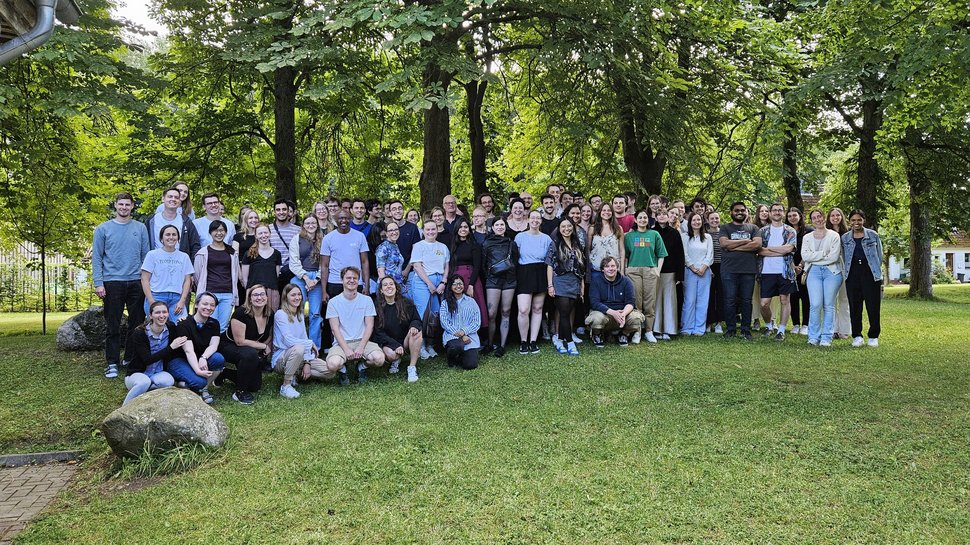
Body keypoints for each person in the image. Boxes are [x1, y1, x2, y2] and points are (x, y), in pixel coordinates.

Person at [93, 192, 150, 379]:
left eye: (127, 204)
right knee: (113, 325)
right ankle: (112, 362)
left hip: (136, 281)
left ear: (132, 206)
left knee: (137, 324)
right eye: (121, 204)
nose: (124, 207)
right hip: (112, 282)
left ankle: (131, 358)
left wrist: (146, 281)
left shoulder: (140, 228)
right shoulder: (103, 229)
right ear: (115, 206)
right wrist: (98, 283)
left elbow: (146, 256)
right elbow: (97, 258)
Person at [325, 267, 385, 383]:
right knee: (332, 364)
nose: (352, 280)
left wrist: (361, 347)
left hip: (362, 341)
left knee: (379, 359)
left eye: (355, 278)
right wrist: (346, 349)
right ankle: (343, 370)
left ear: (359, 281)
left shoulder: (366, 300)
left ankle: (361, 367)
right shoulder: (333, 302)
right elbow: (335, 329)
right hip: (341, 342)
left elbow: (369, 326)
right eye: (348, 278)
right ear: (342, 280)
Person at [220, 284, 274, 404]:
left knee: (255, 386)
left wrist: (263, 347)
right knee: (249, 354)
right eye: (255, 295)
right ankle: (240, 392)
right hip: (228, 345)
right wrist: (263, 347)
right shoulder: (241, 313)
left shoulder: (270, 314)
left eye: (262, 294)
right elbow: (240, 342)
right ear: (250, 298)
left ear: (267, 297)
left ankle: (224, 373)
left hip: (248, 349)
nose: (259, 298)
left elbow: (268, 335)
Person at [273, 283, 329, 398]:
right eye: (293, 295)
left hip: (300, 356)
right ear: (286, 297)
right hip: (282, 357)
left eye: (299, 294)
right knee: (299, 348)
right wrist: (310, 343)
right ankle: (286, 385)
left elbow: (304, 338)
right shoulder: (280, 314)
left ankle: (296, 374)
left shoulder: (300, 314)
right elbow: (288, 340)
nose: (297, 297)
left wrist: (307, 362)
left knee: (329, 371)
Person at [169, 292, 226, 404]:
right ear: (196, 305)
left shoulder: (214, 323)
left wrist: (204, 357)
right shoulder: (184, 323)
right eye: (205, 304)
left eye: (212, 305)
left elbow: (214, 345)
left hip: (199, 357)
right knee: (199, 381)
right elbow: (188, 350)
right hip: (180, 360)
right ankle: (181, 383)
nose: (208, 308)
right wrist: (198, 371)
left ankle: (203, 389)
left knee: (218, 359)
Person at [121, 301, 180, 405]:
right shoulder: (140, 333)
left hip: (157, 373)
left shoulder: (171, 328)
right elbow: (147, 359)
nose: (161, 315)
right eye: (157, 313)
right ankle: (124, 408)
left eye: (164, 312)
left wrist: (184, 321)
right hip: (137, 374)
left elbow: (186, 329)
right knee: (144, 382)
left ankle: (145, 393)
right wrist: (171, 347)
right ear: (151, 315)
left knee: (168, 382)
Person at [719, 201, 762, 340]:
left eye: (743, 210)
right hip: (729, 270)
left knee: (746, 300)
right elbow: (724, 243)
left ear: (746, 212)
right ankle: (731, 329)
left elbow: (757, 245)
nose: (740, 212)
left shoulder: (753, 228)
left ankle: (745, 330)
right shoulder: (725, 227)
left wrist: (733, 246)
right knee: (729, 300)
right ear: (731, 212)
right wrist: (746, 242)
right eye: (736, 210)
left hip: (748, 270)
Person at [800, 209, 843, 347]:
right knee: (815, 304)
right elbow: (805, 256)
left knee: (829, 305)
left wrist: (815, 257)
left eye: (819, 216)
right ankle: (813, 336)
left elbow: (834, 257)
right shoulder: (807, 237)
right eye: (814, 218)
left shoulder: (834, 236)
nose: (817, 219)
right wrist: (824, 253)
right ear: (811, 221)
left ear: (824, 218)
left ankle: (826, 337)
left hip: (832, 273)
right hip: (813, 272)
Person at [409, 219, 450, 359]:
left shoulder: (443, 247)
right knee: (423, 315)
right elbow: (417, 266)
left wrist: (443, 282)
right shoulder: (419, 246)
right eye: (428, 230)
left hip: (439, 282)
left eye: (433, 229)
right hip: (423, 282)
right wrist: (429, 284)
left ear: (437, 230)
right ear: (424, 231)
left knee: (436, 314)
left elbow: (447, 266)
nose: (431, 232)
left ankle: (430, 345)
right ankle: (420, 346)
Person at [757, 203, 798, 341]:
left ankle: (781, 330)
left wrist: (769, 250)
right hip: (766, 271)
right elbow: (759, 250)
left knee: (784, 300)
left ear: (783, 213)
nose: (777, 212)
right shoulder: (762, 231)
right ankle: (769, 326)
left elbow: (789, 249)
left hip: (784, 271)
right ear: (770, 213)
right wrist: (781, 250)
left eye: (780, 210)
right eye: (774, 210)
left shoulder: (790, 231)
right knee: (764, 303)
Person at [624, 209, 666, 343]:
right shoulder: (629, 236)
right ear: (635, 220)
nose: (643, 220)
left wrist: (657, 271)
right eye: (640, 218)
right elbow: (625, 255)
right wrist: (625, 269)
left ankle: (649, 331)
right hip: (633, 271)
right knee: (636, 301)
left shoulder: (654, 234)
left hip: (650, 270)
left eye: (645, 218)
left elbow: (661, 255)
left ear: (648, 220)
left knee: (650, 302)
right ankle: (637, 332)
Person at [515, 210, 554, 354]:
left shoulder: (547, 239)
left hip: (540, 272)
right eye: (533, 218)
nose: (535, 220)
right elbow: (515, 256)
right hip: (524, 272)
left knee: (538, 309)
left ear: (541, 221)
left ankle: (533, 341)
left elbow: (549, 259)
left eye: (538, 218)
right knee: (523, 309)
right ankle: (523, 341)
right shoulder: (520, 237)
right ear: (528, 219)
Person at [843, 210, 883, 347]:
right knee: (855, 307)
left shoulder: (873, 236)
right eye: (853, 220)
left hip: (870, 274)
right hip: (852, 274)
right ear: (849, 221)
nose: (856, 223)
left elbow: (880, 255)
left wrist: (877, 272)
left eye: (859, 220)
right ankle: (857, 336)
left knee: (873, 306)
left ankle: (873, 336)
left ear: (863, 220)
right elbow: (843, 256)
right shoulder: (845, 238)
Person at [547, 219, 585, 355]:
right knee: (563, 313)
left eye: (569, 226)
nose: (566, 229)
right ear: (559, 228)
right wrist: (550, 285)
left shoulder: (577, 244)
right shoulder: (555, 244)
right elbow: (549, 265)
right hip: (560, 281)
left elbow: (581, 267)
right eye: (563, 226)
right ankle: (570, 343)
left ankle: (559, 339)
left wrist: (582, 286)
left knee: (568, 311)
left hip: (574, 282)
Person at [141, 224, 194, 323]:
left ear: (178, 238)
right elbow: (145, 279)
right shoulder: (152, 255)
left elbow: (187, 280)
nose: (171, 237)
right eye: (167, 234)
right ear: (161, 238)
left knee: (181, 326)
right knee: (156, 328)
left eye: (174, 235)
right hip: (156, 296)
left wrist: (182, 301)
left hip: (176, 298)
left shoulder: (184, 257)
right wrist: (151, 301)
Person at [586, 256, 644, 346]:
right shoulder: (596, 281)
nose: (610, 269)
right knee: (596, 319)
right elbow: (594, 303)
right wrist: (613, 313)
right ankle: (597, 334)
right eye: (607, 266)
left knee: (636, 318)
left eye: (613, 266)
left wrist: (623, 314)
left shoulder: (626, 281)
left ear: (617, 267)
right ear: (602, 270)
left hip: (622, 315)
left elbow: (630, 302)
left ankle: (623, 334)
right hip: (604, 314)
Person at [373, 276, 423, 382]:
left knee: (417, 332)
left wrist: (414, 326)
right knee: (391, 355)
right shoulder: (377, 308)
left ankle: (412, 368)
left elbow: (416, 320)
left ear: (396, 287)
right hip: (389, 343)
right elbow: (378, 332)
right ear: (381, 290)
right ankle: (395, 360)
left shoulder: (407, 303)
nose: (389, 287)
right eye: (385, 285)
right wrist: (395, 345)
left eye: (391, 284)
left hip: (405, 341)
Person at [193, 220, 239, 332]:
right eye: (215, 230)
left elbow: (235, 272)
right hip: (210, 293)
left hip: (227, 293)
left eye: (222, 230)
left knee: (222, 327)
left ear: (226, 232)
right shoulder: (203, 252)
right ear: (210, 233)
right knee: (208, 324)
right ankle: (207, 349)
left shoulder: (232, 252)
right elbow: (197, 275)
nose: (219, 233)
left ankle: (218, 349)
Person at [482, 217, 518, 357]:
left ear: (505, 226)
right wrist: (490, 276)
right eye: (497, 225)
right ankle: (490, 343)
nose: (499, 227)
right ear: (492, 227)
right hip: (493, 281)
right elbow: (484, 264)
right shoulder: (487, 243)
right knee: (491, 313)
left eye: (502, 224)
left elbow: (515, 260)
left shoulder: (511, 243)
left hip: (509, 281)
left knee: (506, 311)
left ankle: (502, 345)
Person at [289, 214, 324, 349]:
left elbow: (325, 263)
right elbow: (294, 262)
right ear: (303, 225)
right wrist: (306, 278)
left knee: (315, 314)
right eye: (308, 223)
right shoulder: (296, 239)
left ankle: (314, 347)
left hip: (317, 278)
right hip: (300, 277)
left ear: (317, 224)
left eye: (313, 223)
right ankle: (298, 345)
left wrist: (315, 279)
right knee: (297, 311)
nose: (311, 225)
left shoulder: (323, 240)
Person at [321, 210, 371, 299]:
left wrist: (366, 286)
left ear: (351, 219)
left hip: (355, 281)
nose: (343, 220)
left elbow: (365, 262)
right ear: (335, 220)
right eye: (340, 218)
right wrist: (324, 291)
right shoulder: (328, 238)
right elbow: (324, 266)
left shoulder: (360, 236)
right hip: (335, 282)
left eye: (346, 218)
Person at [449, 217, 488, 328]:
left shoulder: (474, 245)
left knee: (475, 305)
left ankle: (479, 337)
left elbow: (477, 267)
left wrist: (471, 285)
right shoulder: (452, 245)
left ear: (469, 229)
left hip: (471, 278)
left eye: (466, 227)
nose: (463, 229)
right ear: (456, 229)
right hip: (455, 278)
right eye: (460, 227)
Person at [147, 186, 201, 262]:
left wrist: (190, 265)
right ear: (163, 199)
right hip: (156, 264)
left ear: (179, 201)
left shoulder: (186, 221)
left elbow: (195, 245)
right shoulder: (151, 221)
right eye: (170, 196)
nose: (173, 199)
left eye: (176, 197)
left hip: (180, 265)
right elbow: (144, 245)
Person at [680, 212, 714, 336]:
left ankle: (699, 328)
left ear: (702, 221)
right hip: (689, 271)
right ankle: (687, 327)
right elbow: (684, 254)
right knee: (689, 300)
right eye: (694, 220)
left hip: (705, 272)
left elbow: (710, 255)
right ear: (690, 222)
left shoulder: (707, 237)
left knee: (703, 300)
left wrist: (704, 267)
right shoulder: (684, 237)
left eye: (698, 220)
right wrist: (693, 267)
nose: (696, 222)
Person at [652, 209, 683, 340]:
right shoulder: (651, 232)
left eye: (664, 214)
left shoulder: (674, 233)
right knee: (656, 301)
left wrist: (680, 275)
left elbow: (680, 255)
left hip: (670, 272)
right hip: (654, 271)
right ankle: (656, 329)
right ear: (655, 217)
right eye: (659, 214)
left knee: (669, 301)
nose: (662, 216)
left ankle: (669, 329)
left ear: (668, 216)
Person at [440, 274, 482, 370]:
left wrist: (464, 331)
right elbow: (444, 322)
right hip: (452, 335)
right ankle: (452, 358)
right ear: (450, 287)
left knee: (471, 365)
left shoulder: (471, 301)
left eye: (460, 284)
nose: (458, 286)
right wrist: (462, 335)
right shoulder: (445, 303)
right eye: (454, 284)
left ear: (464, 285)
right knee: (457, 346)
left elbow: (476, 322)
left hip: (470, 337)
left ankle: (462, 356)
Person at [241, 224, 282, 310]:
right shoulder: (249, 254)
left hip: (272, 292)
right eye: (260, 233)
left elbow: (276, 275)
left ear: (270, 233)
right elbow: (245, 279)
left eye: (265, 232)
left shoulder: (277, 254)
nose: (263, 235)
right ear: (256, 236)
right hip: (254, 292)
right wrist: (251, 293)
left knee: (271, 319)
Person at [787, 207, 813, 335]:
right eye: (790, 216)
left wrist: (801, 266)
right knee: (793, 297)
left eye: (794, 215)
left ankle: (805, 325)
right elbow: (786, 250)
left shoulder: (809, 231)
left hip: (806, 267)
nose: (792, 217)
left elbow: (810, 249)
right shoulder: (786, 231)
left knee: (806, 296)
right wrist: (793, 266)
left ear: (800, 216)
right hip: (790, 267)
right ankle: (795, 324)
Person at [827, 207, 852, 339]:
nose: (835, 217)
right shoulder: (825, 233)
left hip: (844, 267)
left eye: (838, 215)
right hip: (829, 268)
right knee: (830, 300)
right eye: (832, 215)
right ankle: (833, 329)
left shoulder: (848, 234)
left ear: (841, 217)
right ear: (829, 218)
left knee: (844, 299)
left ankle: (844, 330)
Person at [267, 198, 300, 290]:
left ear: (288, 211)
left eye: (284, 209)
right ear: (274, 212)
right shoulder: (268, 229)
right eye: (278, 210)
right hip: (273, 273)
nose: (281, 212)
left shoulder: (298, 230)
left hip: (292, 273)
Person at [588, 204, 625, 279]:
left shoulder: (618, 229)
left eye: (609, 210)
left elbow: (622, 250)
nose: (606, 212)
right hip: (596, 268)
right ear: (600, 212)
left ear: (612, 212)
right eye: (604, 210)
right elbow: (588, 249)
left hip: (613, 269)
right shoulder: (592, 228)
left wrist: (622, 270)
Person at [705, 210, 724, 333]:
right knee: (709, 296)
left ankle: (719, 322)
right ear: (707, 220)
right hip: (709, 267)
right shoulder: (705, 234)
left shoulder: (724, 233)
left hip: (723, 267)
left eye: (716, 218)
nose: (714, 221)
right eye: (712, 218)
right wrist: (708, 268)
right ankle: (709, 322)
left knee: (722, 295)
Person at [376, 221, 407, 292]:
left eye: (396, 229)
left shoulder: (395, 245)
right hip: (388, 287)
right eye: (390, 230)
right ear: (386, 233)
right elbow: (381, 271)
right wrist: (385, 289)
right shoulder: (383, 247)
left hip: (397, 285)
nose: (394, 232)